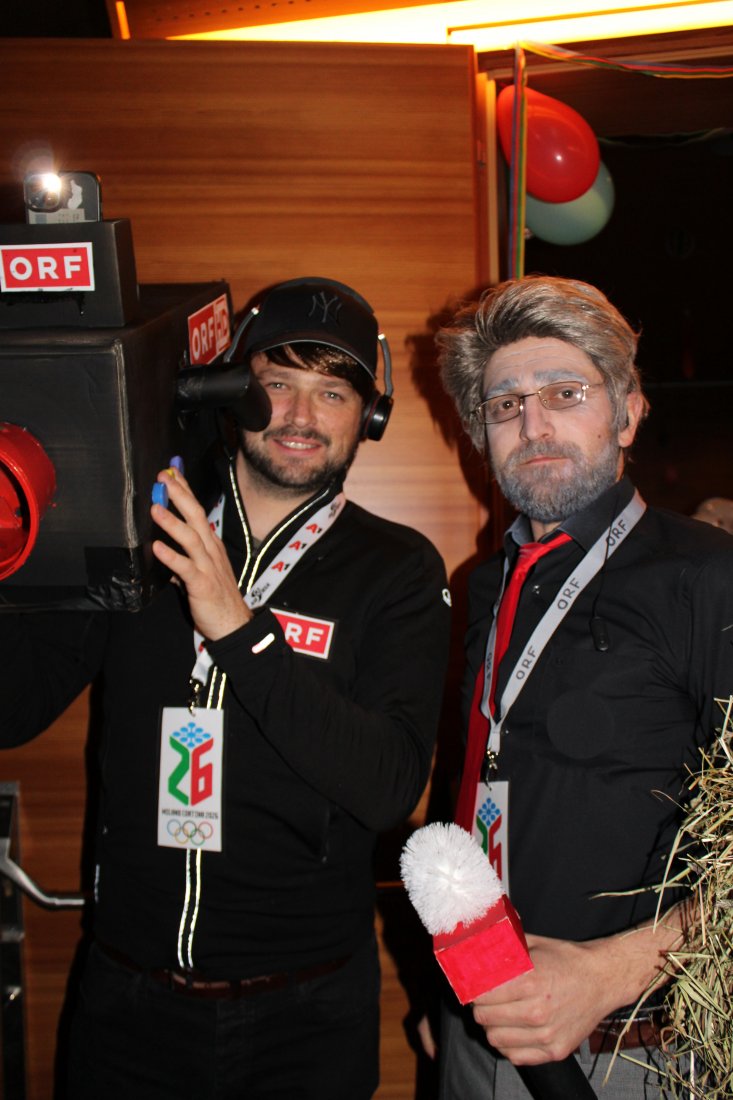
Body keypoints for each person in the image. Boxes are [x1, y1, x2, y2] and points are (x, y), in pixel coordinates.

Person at [1, 277, 451, 1099]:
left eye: (333, 393)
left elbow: (388, 784)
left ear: (369, 415)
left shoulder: (399, 570)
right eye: (276, 382)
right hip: (127, 1002)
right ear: (231, 392)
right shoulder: (143, 533)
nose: (300, 415)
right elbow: (14, 708)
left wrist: (241, 632)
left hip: (305, 1016)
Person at [434, 274, 733, 1098]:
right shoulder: (485, 584)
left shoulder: (708, 579)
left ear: (627, 413)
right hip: (475, 1028)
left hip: (636, 1052)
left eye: (565, 393)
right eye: (504, 405)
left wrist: (610, 973)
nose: (533, 426)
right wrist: (447, 995)